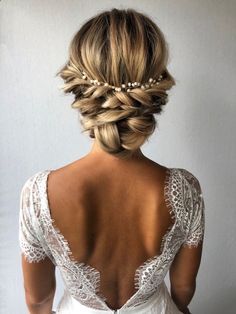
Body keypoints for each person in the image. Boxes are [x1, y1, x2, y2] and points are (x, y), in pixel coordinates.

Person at [18, 8, 205, 314]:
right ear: (154, 91)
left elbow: (37, 301)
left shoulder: (40, 195)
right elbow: (184, 290)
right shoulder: (186, 189)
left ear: (81, 88)